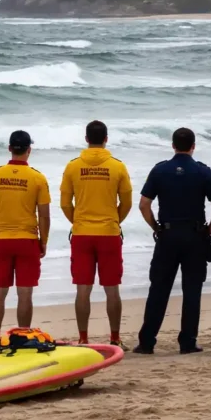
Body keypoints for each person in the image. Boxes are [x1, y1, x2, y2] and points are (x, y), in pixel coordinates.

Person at [134, 128, 211, 355]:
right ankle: (187, 342)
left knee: (159, 289)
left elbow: (144, 204)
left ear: (173, 145)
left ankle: (147, 342)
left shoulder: (159, 170)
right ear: (193, 146)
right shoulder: (203, 171)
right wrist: (209, 230)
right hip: (195, 236)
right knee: (192, 290)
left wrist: (156, 227)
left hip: (167, 236)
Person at [60, 120, 132, 347]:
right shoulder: (117, 166)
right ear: (106, 139)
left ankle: (83, 338)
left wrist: (78, 221)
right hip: (109, 233)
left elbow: (65, 203)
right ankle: (115, 338)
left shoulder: (73, 166)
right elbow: (127, 202)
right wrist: (114, 220)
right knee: (112, 289)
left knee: (83, 288)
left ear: (86, 139)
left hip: (82, 234)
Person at [0, 130, 50, 348]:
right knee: (25, 293)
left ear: (10, 148)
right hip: (27, 240)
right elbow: (44, 215)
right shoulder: (37, 178)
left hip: (1, 239)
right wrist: (43, 241)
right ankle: (23, 336)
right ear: (29, 150)